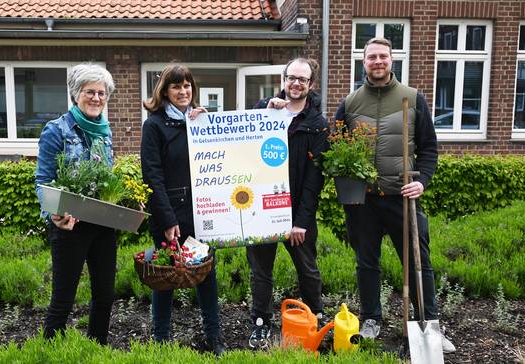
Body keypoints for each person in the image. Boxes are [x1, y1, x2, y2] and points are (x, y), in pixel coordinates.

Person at [335, 37, 456, 353]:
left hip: (401, 197)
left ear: (392, 60)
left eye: (383, 57)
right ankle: (371, 318)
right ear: (364, 62)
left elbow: (429, 148)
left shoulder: (413, 98)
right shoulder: (350, 104)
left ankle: (428, 323)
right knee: (366, 262)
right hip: (363, 201)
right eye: (372, 57)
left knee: (417, 262)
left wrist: (423, 181)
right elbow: (333, 147)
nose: (378, 62)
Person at [140, 64, 226, 356]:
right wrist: (167, 219)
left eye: (187, 85)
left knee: (206, 273)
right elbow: (152, 176)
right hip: (170, 214)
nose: (183, 91)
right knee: (166, 275)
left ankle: (214, 336)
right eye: (176, 86)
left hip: (202, 211)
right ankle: (161, 338)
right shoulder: (154, 125)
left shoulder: (200, 120)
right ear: (164, 91)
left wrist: (206, 123)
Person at [246, 57, 329, 349]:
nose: (295, 83)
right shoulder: (262, 110)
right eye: (291, 77)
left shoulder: (318, 125)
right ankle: (261, 323)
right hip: (261, 210)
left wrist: (302, 221)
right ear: (283, 80)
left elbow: (314, 180)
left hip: (296, 213)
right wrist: (267, 113)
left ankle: (315, 317)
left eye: (302, 80)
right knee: (260, 270)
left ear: (311, 85)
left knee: (308, 269)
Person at [35, 63, 117, 345]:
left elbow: (106, 179)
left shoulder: (105, 132)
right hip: (70, 225)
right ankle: (52, 351)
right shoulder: (56, 130)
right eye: (90, 92)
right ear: (75, 93)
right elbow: (43, 180)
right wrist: (54, 213)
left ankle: (97, 349)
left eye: (101, 93)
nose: (96, 98)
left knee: (105, 294)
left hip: (104, 223)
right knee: (63, 297)